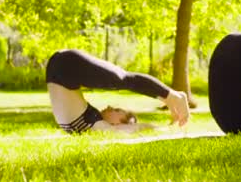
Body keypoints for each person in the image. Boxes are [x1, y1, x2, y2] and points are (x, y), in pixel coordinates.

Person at [46, 49, 190, 134]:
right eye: (116, 108)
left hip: (60, 68)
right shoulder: (102, 127)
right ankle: (174, 96)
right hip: (64, 66)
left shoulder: (105, 129)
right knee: (124, 79)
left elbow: (141, 127)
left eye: (116, 109)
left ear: (121, 124)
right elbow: (144, 128)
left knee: (124, 79)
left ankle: (173, 97)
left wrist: (168, 128)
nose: (109, 107)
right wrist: (169, 128)